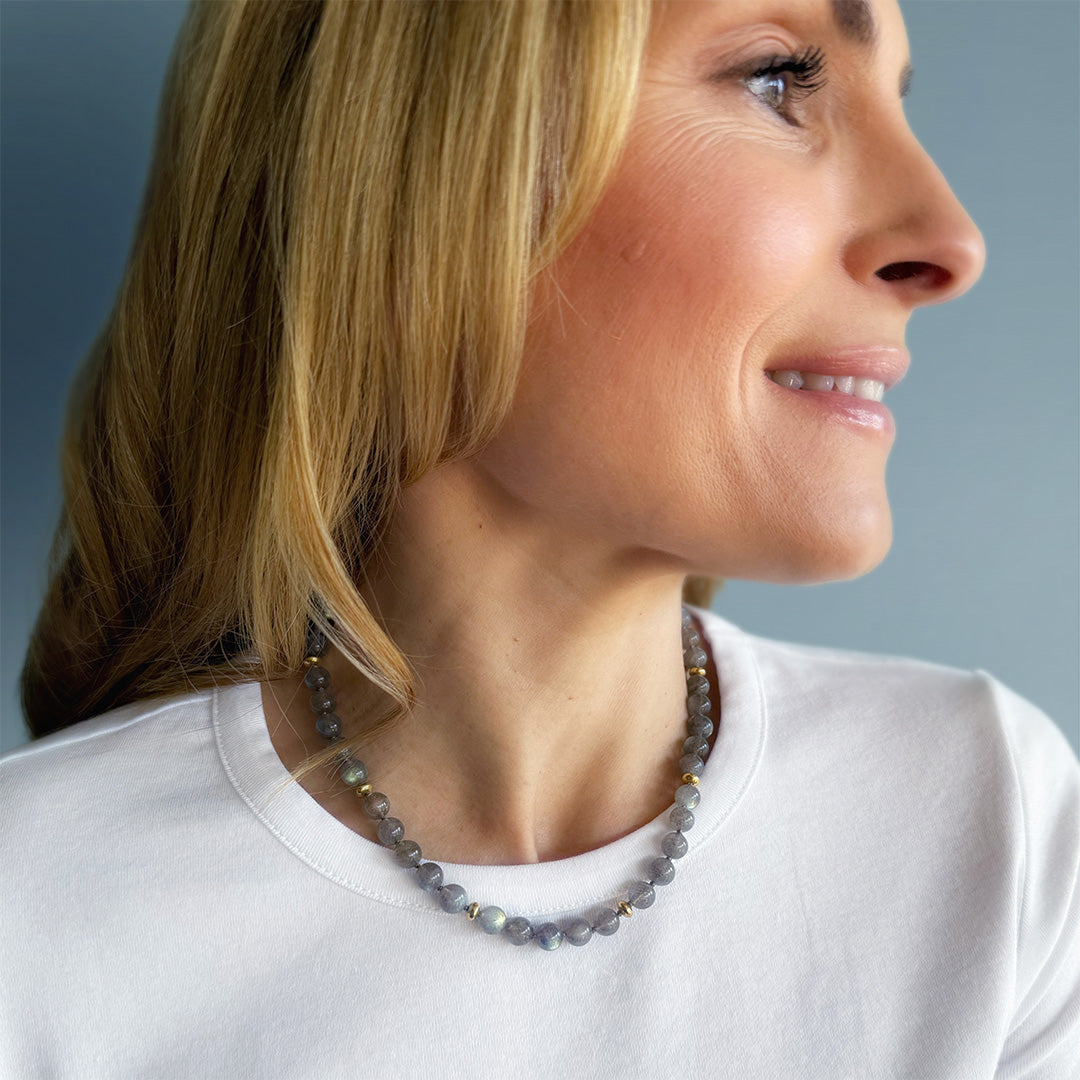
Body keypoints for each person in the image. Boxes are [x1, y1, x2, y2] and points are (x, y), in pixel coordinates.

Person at [2, 0, 1077, 1076]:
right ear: (424, 164)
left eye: (894, 99)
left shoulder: (989, 827)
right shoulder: (37, 924)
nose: (952, 241)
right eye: (779, 78)